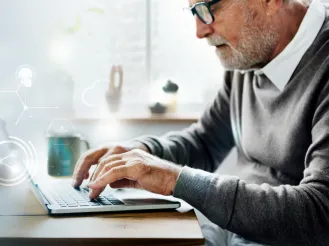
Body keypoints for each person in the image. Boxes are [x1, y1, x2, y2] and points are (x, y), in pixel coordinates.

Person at [72, 0, 329, 245]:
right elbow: (206, 141)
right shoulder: (251, 54)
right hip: (229, 231)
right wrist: (142, 152)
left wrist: (176, 180)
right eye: (193, 10)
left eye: (211, 7)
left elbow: (321, 212)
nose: (199, 30)